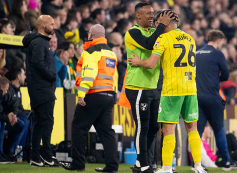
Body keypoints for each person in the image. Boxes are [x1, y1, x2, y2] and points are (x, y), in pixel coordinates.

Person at [128, 10, 206, 173]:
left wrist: (138, 61)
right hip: (191, 88)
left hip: (172, 89)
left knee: (168, 129)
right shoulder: (190, 38)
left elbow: (150, 63)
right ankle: (198, 166)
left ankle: (166, 168)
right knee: (192, 128)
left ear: (161, 23)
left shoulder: (163, 38)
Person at [122, 2, 174, 173]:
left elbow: (166, 39)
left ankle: (142, 162)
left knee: (153, 127)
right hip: (137, 87)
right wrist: (160, 27)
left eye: (153, 14)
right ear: (138, 15)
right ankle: (143, 163)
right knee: (142, 126)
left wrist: (168, 25)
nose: (152, 17)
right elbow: (148, 44)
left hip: (153, 87)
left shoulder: (154, 31)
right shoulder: (132, 33)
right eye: (149, 14)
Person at [60, 24, 118, 173]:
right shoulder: (111, 53)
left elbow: (89, 74)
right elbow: (114, 76)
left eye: (88, 33)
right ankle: (112, 166)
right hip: (109, 95)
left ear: (91, 35)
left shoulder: (90, 51)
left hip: (94, 94)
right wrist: (114, 94)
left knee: (79, 127)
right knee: (106, 131)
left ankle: (78, 163)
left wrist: (81, 93)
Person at [195, 30, 237, 171]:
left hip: (197, 97)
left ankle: (196, 163)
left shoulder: (196, 53)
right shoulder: (218, 54)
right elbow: (226, 75)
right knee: (219, 129)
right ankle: (227, 161)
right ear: (218, 41)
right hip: (213, 97)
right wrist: (215, 78)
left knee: (197, 131)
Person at [22, 15, 58, 167]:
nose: (54, 26)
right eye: (51, 24)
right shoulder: (39, 42)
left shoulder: (40, 42)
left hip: (39, 88)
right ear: (43, 25)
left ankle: (35, 157)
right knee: (47, 122)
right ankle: (47, 156)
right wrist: (51, 75)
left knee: (39, 124)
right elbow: (38, 63)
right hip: (42, 89)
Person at [4, 66, 29, 159]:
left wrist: (28, 112)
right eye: (23, 74)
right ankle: (12, 150)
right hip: (8, 117)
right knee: (23, 122)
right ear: (18, 76)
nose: (25, 77)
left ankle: (22, 150)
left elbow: (20, 108)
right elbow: (8, 107)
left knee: (29, 119)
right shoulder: (9, 89)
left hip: (15, 115)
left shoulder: (18, 91)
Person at [0, 76, 17, 164]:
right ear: (0, 88)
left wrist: (12, 115)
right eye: (5, 89)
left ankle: (4, 153)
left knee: (21, 124)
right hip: (3, 117)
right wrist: (7, 118)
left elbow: (14, 103)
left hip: (5, 116)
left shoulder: (3, 96)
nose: (6, 92)